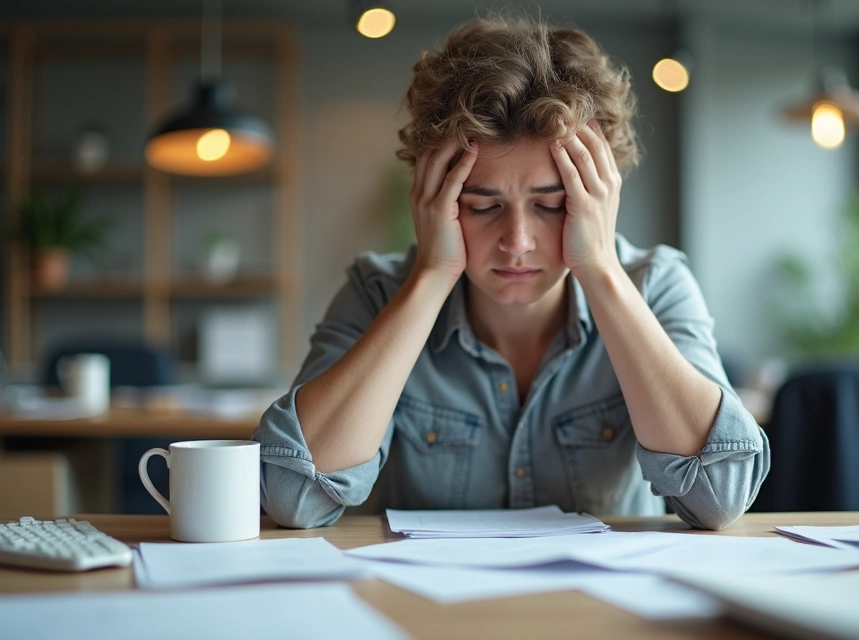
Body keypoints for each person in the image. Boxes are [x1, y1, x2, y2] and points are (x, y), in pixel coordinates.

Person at [253, 16, 769, 530]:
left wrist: (600, 269)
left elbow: (719, 497)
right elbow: (293, 495)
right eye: (481, 206)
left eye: (550, 205)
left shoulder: (655, 286)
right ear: (436, 201)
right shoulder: (376, 293)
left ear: (599, 198)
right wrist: (432, 274)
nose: (517, 242)